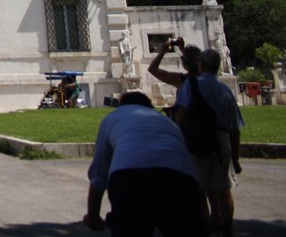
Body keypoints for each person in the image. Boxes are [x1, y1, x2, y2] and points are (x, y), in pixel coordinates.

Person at [83, 91, 203, 235]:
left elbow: (99, 172)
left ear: (121, 105)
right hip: (180, 177)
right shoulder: (168, 123)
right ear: (149, 106)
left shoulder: (112, 118)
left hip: (129, 177)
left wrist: (93, 215)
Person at [175, 49, 244, 236]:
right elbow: (235, 128)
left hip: (196, 140)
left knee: (198, 188)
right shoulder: (225, 91)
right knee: (223, 189)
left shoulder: (190, 85)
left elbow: (181, 115)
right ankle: (227, 229)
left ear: (201, 65)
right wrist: (235, 159)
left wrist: (179, 139)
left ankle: (204, 226)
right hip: (221, 139)